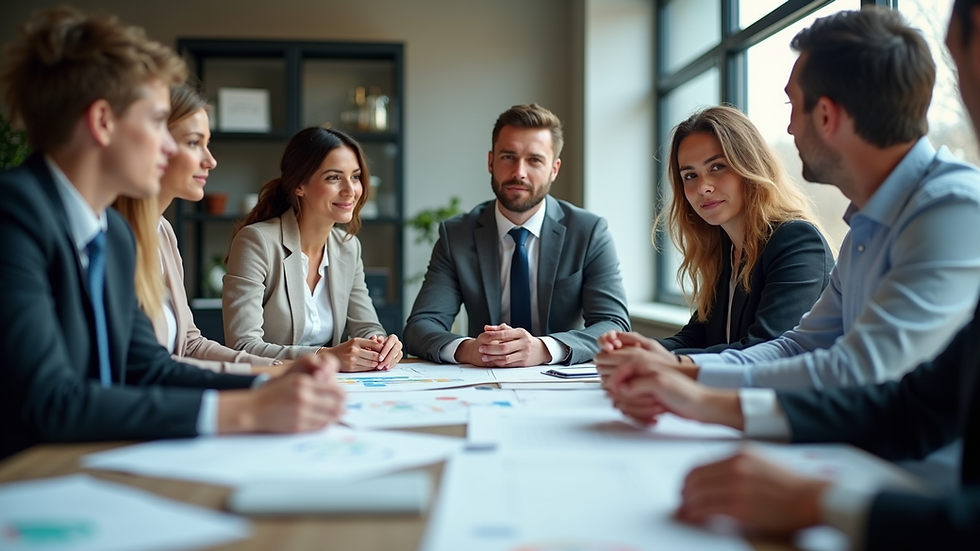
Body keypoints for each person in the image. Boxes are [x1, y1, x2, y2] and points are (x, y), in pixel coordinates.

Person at [602, 4, 980, 549]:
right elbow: (799, 344)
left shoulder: (950, 210)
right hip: (858, 462)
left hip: (911, 495)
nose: (786, 126)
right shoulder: (865, 229)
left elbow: (863, 370)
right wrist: (686, 377)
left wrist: (698, 390)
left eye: (792, 107)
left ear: (826, 116)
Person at [0, 7, 345, 460]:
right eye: (156, 122)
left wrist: (272, 379)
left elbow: (147, 367)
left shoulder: (113, 236)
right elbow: (51, 401)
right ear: (103, 122)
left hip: (100, 460)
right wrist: (246, 411)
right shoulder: (14, 215)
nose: (167, 146)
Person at [403, 104, 630, 367]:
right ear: (491, 161)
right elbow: (421, 326)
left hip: (559, 382)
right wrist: (469, 349)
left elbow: (614, 325)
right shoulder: (457, 235)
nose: (519, 172)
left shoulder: (589, 232)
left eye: (534, 160)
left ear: (554, 169)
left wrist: (544, 349)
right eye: (508, 157)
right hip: (482, 380)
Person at [114, 84, 277, 374]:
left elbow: (189, 344)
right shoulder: (112, 239)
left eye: (207, 143)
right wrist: (264, 375)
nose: (210, 160)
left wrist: (276, 366)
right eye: (193, 143)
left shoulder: (162, 231)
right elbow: (146, 367)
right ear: (153, 146)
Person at [654, 105, 834, 354]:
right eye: (690, 176)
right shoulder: (724, 250)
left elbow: (764, 350)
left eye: (717, 167)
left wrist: (662, 361)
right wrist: (640, 350)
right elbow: (697, 336)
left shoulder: (797, 242)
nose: (703, 187)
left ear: (750, 167)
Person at [223, 126, 403, 372]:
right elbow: (242, 345)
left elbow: (366, 325)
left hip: (332, 384)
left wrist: (380, 344)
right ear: (299, 185)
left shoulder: (348, 248)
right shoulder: (257, 241)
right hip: (271, 384)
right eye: (333, 177)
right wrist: (325, 356)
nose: (350, 190)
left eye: (355, 176)